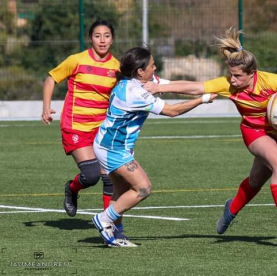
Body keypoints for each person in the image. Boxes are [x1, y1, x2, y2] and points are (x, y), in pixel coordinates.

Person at [144, 27, 277, 240]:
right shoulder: (227, 84)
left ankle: (231, 209)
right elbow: (196, 88)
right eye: (231, 74)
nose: (232, 80)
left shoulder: (269, 80)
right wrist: (158, 88)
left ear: (252, 74)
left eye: (237, 76)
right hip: (254, 133)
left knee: (255, 181)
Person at [91, 46, 216, 247]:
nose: (155, 67)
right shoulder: (134, 93)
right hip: (112, 148)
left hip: (109, 144)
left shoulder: (138, 81)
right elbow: (173, 111)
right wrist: (202, 99)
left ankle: (115, 233)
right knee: (143, 188)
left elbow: (175, 85)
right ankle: (104, 220)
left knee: (121, 191)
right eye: (151, 65)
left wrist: (208, 86)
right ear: (140, 71)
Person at [41, 21, 120, 221]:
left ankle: (107, 224)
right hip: (75, 126)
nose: (102, 40)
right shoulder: (76, 60)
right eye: (97, 36)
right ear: (90, 38)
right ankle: (72, 188)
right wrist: (46, 107)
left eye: (107, 36)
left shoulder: (117, 67)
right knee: (91, 175)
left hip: (102, 128)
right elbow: (51, 79)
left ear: (112, 38)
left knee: (108, 177)